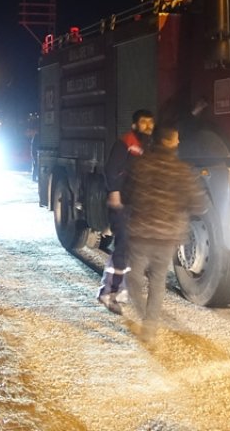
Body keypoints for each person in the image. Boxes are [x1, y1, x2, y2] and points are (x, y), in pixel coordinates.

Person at [123, 123, 210, 343]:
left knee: (133, 278)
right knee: (157, 280)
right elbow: (200, 205)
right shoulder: (182, 171)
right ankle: (150, 326)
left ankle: (143, 316)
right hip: (167, 236)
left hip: (141, 233)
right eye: (176, 138)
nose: (179, 141)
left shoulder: (140, 165)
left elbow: (126, 195)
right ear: (169, 142)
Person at [97, 109, 154, 314]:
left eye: (150, 123)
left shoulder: (148, 146)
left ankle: (119, 290)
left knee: (130, 248)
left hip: (136, 204)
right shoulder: (125, 143)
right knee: (122, 247)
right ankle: (109, 292)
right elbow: (111, 169)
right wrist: (114, 192)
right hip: (122, 203)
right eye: (144, 122)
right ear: (134, 125)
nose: (148, 126)